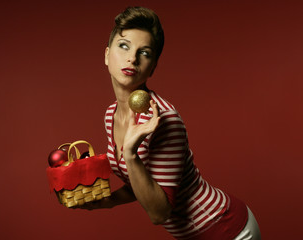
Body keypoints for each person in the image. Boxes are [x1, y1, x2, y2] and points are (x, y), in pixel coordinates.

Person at [82, 6, 261, 240]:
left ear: (153, 67)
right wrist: (108, 202)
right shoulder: (111, 114)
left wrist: (130, 153)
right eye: (123, 46)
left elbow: (159, 212)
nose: (132, 58)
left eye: (144, 52)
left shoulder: (164, 119)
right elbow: (143, 183)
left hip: (227, 231)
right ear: (107, 55)